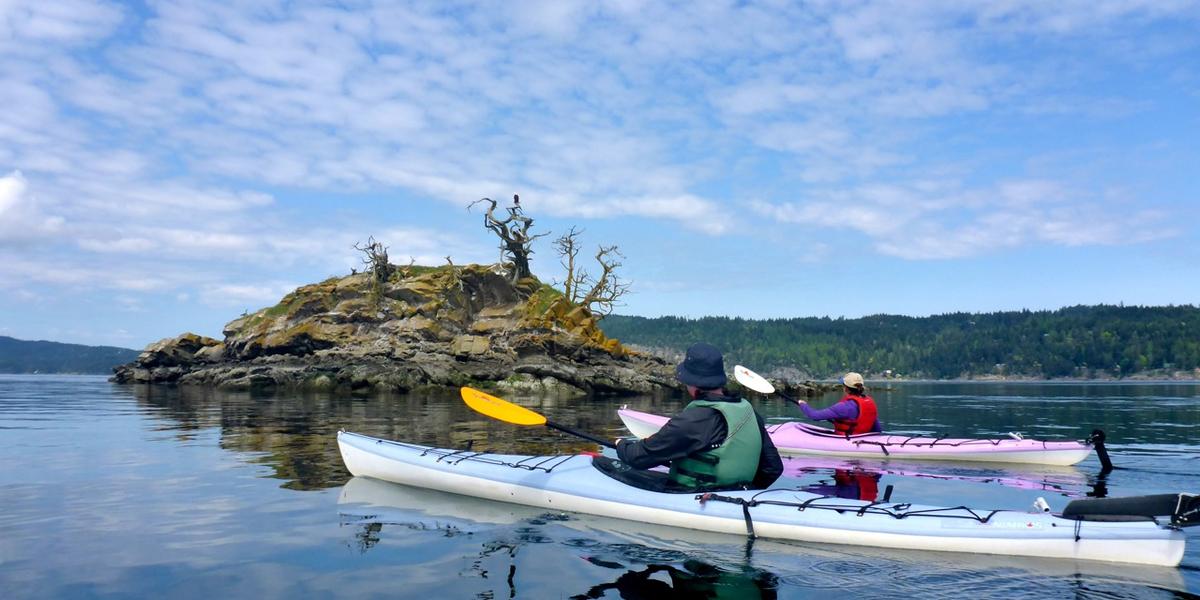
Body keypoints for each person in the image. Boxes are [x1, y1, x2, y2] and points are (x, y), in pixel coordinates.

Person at [614, 343, 783, 491]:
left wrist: (621, 444)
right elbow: (773, 468)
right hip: (738, 497)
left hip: (693, 497)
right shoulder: (749, 411)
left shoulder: (694, 420)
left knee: (609, 468)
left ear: (692, 383)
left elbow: (637, 457)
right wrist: (743, 492)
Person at [796, 372, 881, 435]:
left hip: (849, 440)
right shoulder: (869, 402)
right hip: (865, 438)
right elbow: (877, 429)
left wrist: (803, 404)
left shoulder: (844, 407)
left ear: (846, 389)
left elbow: (814, 416)